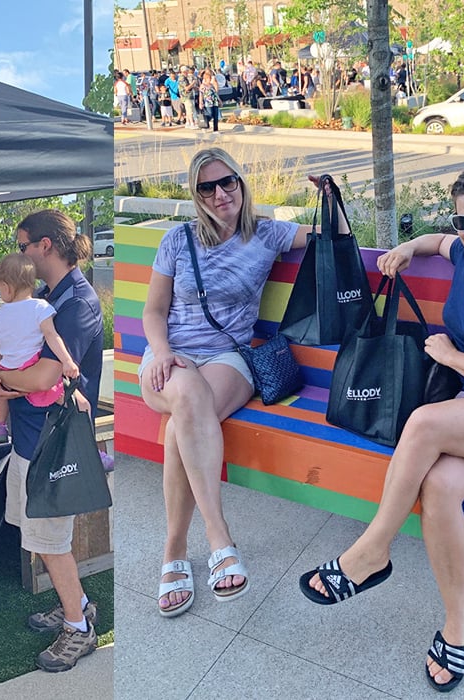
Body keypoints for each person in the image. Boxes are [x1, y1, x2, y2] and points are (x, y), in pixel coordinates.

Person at [299, 162, 464, 693]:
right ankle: (461, 619)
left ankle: (372, 551)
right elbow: (434, 242)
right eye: (463, 221)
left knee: (422, 423)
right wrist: (406, 249)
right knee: (439, 488)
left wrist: (447, 352)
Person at [140, 147, 327, 618]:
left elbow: (331, 236)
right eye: (208, 186)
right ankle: (217, 536)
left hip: (230, 357)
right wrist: (162, 352)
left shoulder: (268, 233)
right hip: (170, 357)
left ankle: (174, 551)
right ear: (196, 194)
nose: (221, 193)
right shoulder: (178, 240)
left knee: (183, 420)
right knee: (184, 398)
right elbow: (154, 311)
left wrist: (330, 198)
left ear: (242, 184)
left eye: (229, 182)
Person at [0, 209, 103, 673]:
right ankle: (76, 602)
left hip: (52, 448)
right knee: (46, 539)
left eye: (22, 245)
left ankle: (79, 629)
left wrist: (2, 383)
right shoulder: (50, 299)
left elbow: (44, 376)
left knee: (51, 542)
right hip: (31, 442)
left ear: (45, 247)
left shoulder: (76, 303)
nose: (19, 255)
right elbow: (10, 367)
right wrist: (5, 380)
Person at [0, 252, 80, 445]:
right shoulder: (40, 307)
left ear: (7, 287)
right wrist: (67, 361)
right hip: (33, 366)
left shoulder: (1, 313)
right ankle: (84, 442)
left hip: (8, 368)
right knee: (71, 400)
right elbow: (52, 336)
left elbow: (2, 347)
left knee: (3, 396)